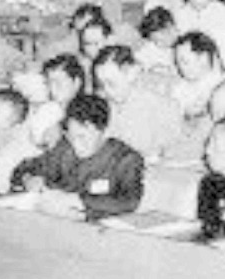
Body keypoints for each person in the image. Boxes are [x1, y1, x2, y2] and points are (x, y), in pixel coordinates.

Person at [10, 93, 144, 221]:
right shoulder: (64, 150)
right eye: (71, 136)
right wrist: (28, 179)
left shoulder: (126, 159)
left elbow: (129, 202)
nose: (76, 145)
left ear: (104, 132)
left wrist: (78, 201)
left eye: (82, 137)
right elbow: (23, 168)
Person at [92, 44, 185, 159]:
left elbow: (171, 155)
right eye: (102, 85)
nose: (106, 91)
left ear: (131, 73)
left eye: (111, 84)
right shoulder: (102, 107)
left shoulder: (165, 107)